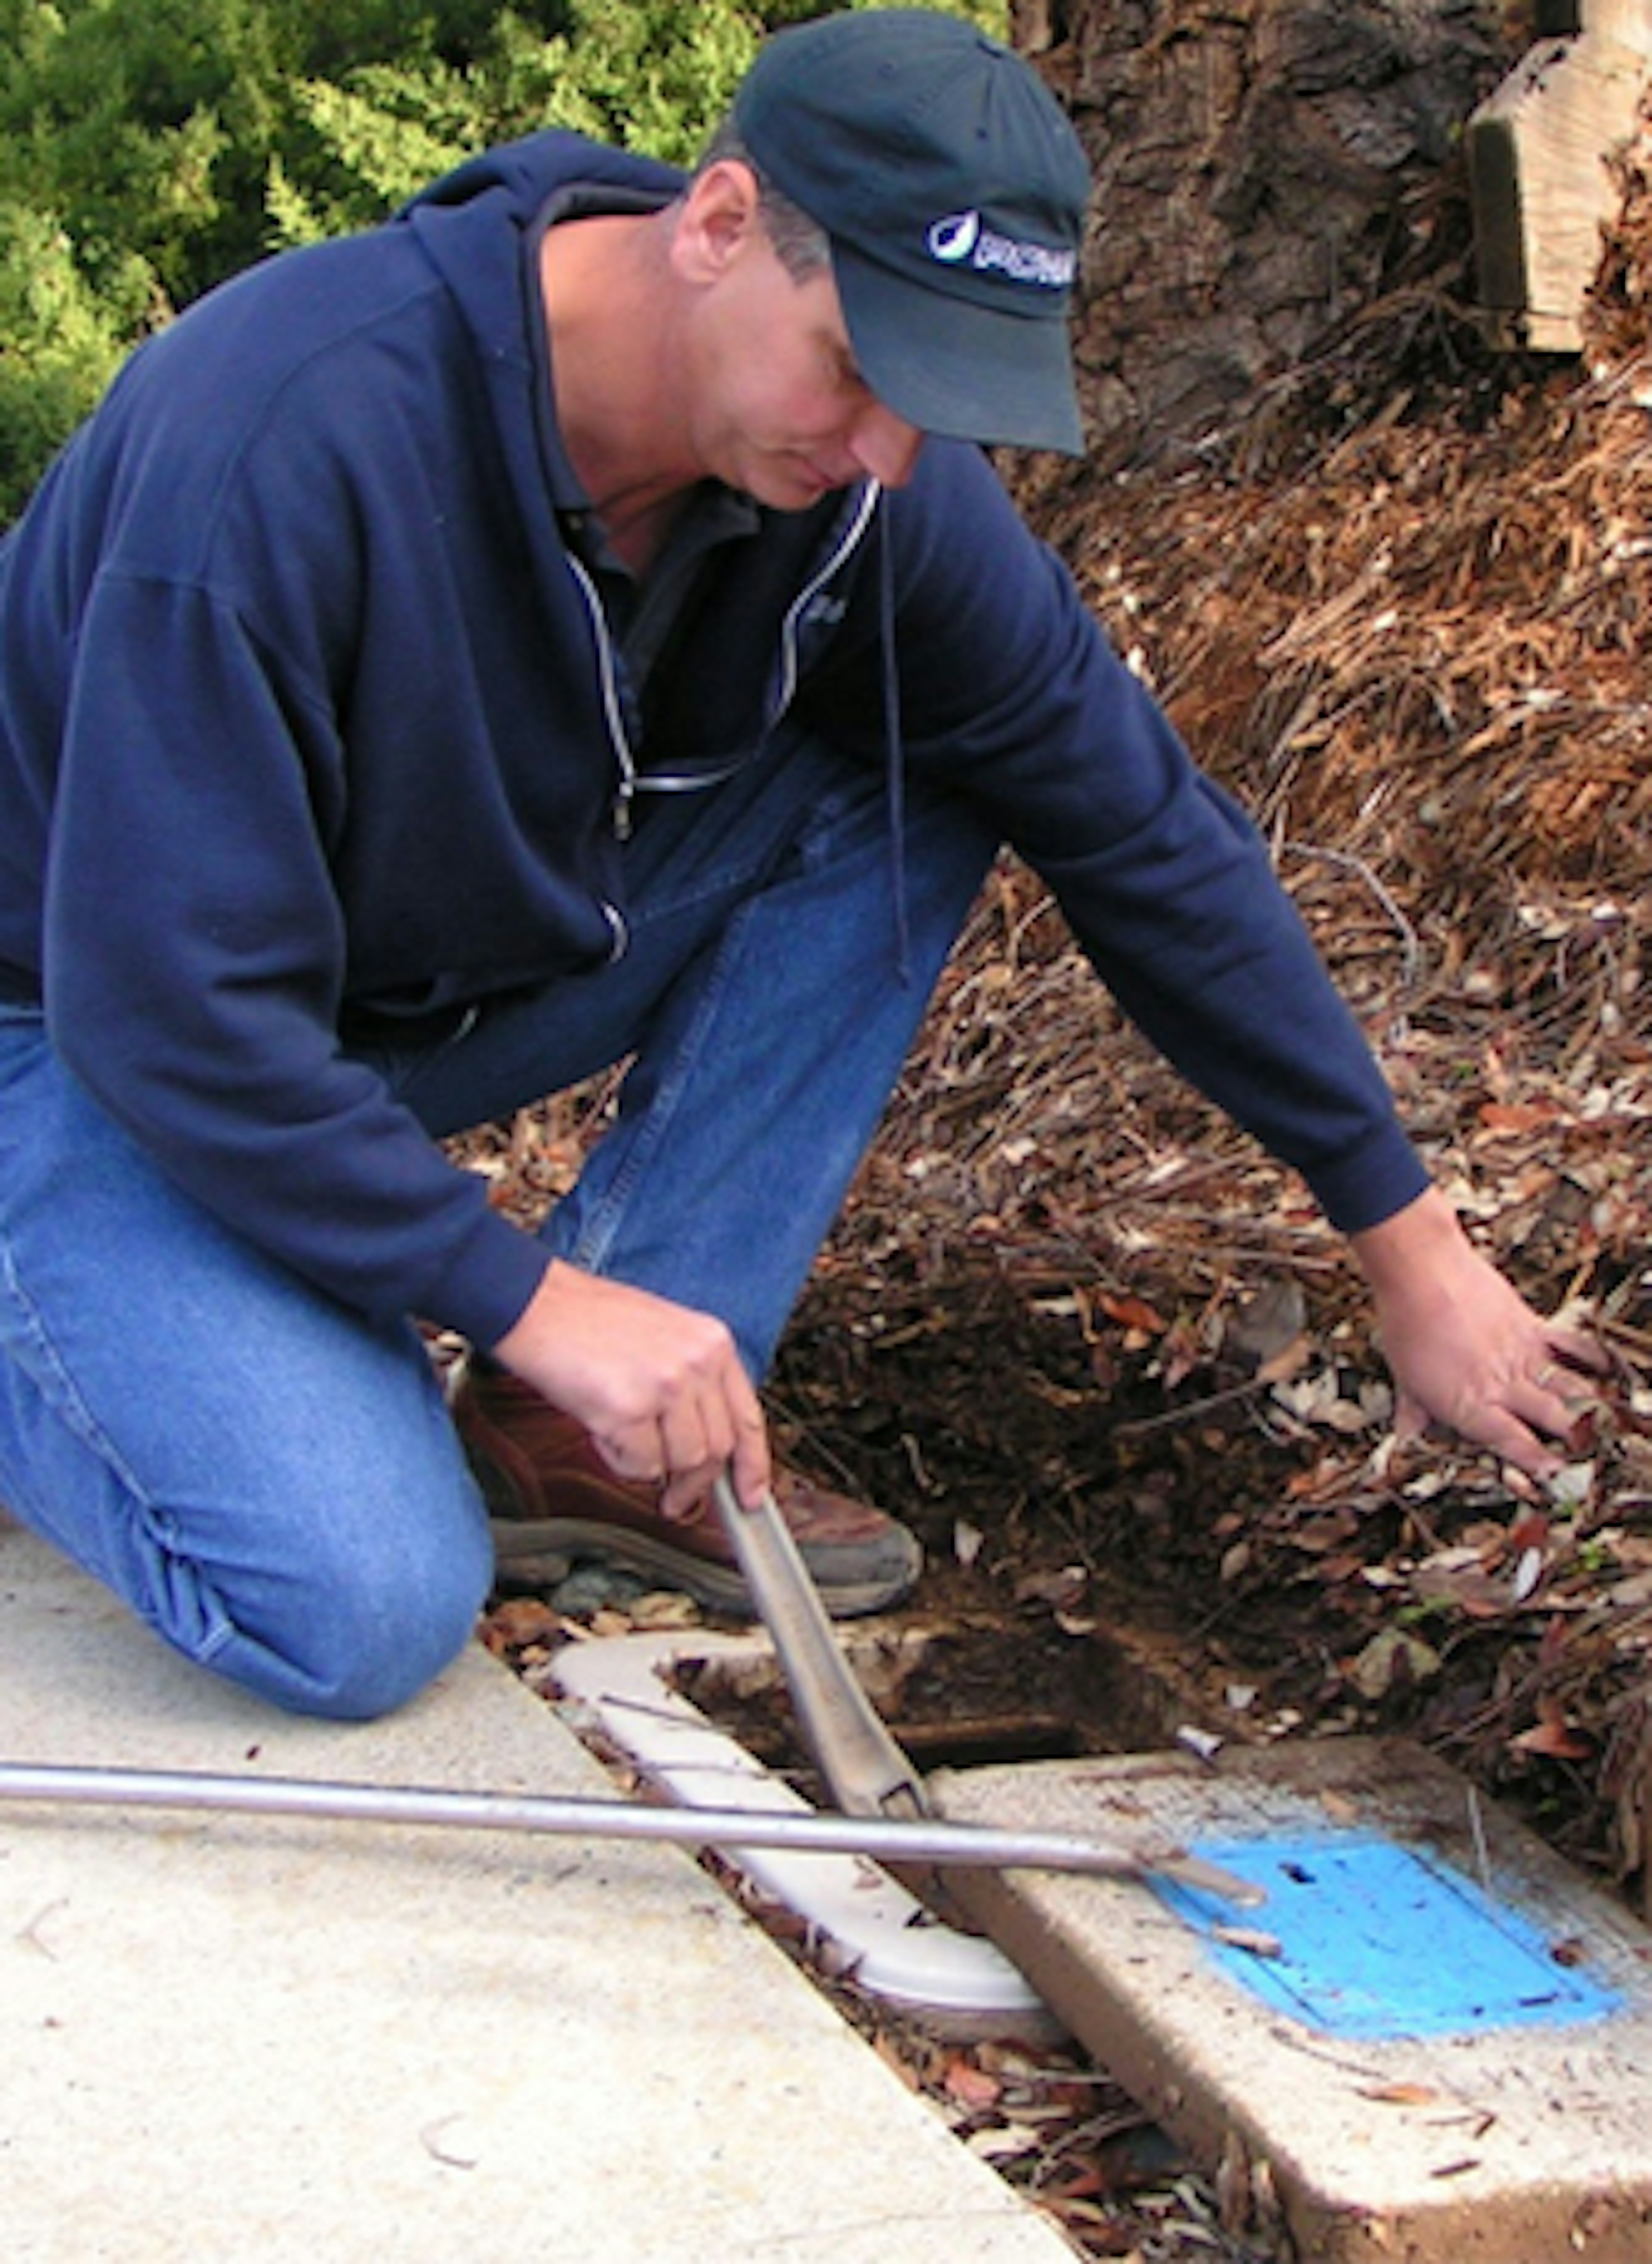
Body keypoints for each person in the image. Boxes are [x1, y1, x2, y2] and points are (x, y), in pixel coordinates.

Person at [0, 8, 1600, 1720]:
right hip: (80, 1033)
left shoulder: (844, 477)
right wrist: (523, 1287)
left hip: (373, 1005)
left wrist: (1406, 1238)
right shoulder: (285, 437)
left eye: (941, 400)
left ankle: (584, 1432)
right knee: (359, 1596)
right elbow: (166, 1008)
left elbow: (1130, 816)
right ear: (714, 225)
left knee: (920, 763)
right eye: (862, 367)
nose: (892, 453)